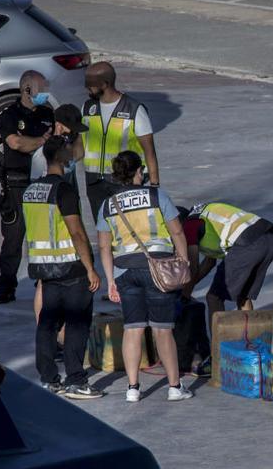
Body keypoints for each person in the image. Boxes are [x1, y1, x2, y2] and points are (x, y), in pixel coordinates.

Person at [97, 151, 192, 403]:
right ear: (138, 172)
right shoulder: (157, 196)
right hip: (157, 270)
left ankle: (132, 388)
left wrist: (111, 280)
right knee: (163, 330)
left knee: (133, 329)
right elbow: (178, 232)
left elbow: (105, 247)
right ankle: (174, 387)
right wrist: (183, 262)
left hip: (125, 272)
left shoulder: (108, 204)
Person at [22, 135, 102, 399]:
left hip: (44, 269)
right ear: (60, 158)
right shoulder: (63, 190)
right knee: (77, 324)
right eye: (69, 153)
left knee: (47, 323)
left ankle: (48, 379)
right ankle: (76, 380)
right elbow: (77, 233)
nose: (72, 157)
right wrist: (90, 268)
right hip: (70, 268)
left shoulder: (30, 191)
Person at [32, 104, 90, 352]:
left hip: (63, 218)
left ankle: (56, 338)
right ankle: (49, 338)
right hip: (51, 225)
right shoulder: (44, 156)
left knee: (55, 284)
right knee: (45, 283)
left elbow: (79, 154)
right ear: (57, 124)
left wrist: (70, 135)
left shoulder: (64, 148)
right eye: (70, 129)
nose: (73, 135)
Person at [0, 70, 54, 304]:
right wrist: (41, 140)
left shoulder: (48, 113)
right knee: (13, 238)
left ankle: (44, 280)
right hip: (17, 184)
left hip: (42, 182)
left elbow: (56, 142)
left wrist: (32, 143)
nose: (46, 92)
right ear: (27, 90)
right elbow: (15, 143)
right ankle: (6, 286)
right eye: (42, 87)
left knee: (43, 236)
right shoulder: (10, 115)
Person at [78, 62, 159, 222]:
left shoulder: (134, 109)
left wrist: (154, 186)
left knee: (127, 228)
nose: (87, 89)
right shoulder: (87, 108)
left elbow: (149, 151)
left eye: (91, 85)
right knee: (103, 229)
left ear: (104, 84)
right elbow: (80, 146)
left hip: (125, 180)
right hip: (94, 182)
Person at [183, 202, 273, 315]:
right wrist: (190, 285)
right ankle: (249, 332)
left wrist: (183, 296)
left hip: (247, 244)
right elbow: (209, 263)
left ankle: (219, 333)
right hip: (269, 239)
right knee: (243, 297)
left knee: (214, 297)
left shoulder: (188, 226)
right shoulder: (202, 216)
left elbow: (193, 269)